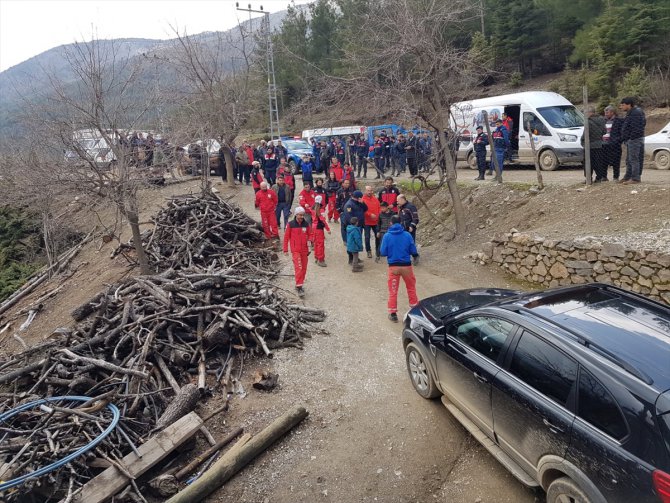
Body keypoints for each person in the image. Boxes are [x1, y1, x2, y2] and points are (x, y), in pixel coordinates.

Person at [380, 215, 419, 322]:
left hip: (393, 267)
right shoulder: (407, 235)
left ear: (391, 223)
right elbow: (413, 251)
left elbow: (383, 252)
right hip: (406, 266)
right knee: (411, 288)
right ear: (401, 223)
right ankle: (414, 310)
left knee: (393, 291)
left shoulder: (387, 236)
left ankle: (393, 314)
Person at [283, 206, 311, 297]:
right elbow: (286, 237)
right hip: (295, 250)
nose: (301, 217)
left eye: (302, 215)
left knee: (304, 268)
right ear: (296, 214)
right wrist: (285, 249)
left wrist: (309, 245)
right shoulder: (290, 224)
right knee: (298, 267)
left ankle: (299, 283)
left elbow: (310, 235)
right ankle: (299, 287)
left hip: (304, 250)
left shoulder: (306, 224)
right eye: (300, 215)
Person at [619, 96, 646, 184]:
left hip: (634, 139)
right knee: (629, 159)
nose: (621, 107)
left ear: (629, 105)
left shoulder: (635, 113)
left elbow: (637, 128)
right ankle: (628, 176)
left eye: (623, 105)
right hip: (632, 139)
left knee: (634, 159)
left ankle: (635, 178)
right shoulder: (632, 112)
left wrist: (631, 138)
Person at [581, 105, 607, 182]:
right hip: (599, 144)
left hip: (589, 145)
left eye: (585, 113)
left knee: (588, 163)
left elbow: (585, 134)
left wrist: (582, 141)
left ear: (589, 113)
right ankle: (599, 177)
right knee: (598, 162)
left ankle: (588, 178)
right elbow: (604, 131)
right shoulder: (602, 120)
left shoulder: (588, 122)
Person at [340, 190, 367, 258]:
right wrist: (354, 225)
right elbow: (349, 216)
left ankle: (356, 258)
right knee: (352, 243)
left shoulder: (359, 202)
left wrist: (363, 203)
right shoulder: (349, 204)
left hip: (359, 226)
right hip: (353, 227)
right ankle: (351, 259)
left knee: (357, 242)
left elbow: (366, 209)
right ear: (357, 197)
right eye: (360, 198)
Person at [603, 105, 624, 181]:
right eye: (605, 112)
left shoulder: (619, 121)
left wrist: (617, 141)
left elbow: (622, 133)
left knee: (616, 162)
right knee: (604, 161)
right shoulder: (603, 121)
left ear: (612, 112)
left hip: (615, 145)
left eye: (607, 112)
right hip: (604, 144)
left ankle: (616, 177)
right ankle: (604, 177)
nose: (605, 114)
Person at [397, 194, 419, 263]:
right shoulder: (401, 207)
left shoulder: (411, 206)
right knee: (403, 244)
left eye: (398, 201)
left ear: (402, 199)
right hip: (402, 229)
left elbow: (416, 218)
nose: (397, 202)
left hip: (410, 229)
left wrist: (412, 226)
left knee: (411, 244)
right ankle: (405, 259)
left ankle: (415, 256)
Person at [311, 196, 331, 267]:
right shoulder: (320, 210)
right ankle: (321, 259)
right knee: (320, 244)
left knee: (316, 243)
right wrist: (328, 229)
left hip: (314, 226)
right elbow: (323, 221)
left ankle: (316, 257)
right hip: (319, 228)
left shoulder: (313, 208)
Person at [362, 185, 381, 259]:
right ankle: (368, 251)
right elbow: (362, 210)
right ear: (365, 191)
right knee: (367, 237)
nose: (369, 192)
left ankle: (377, 250)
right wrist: (370, 214)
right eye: (368, 190)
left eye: (371, 190)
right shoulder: (362, 199)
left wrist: (378, 215)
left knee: (378, 236)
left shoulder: (375, 199)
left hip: (375, 221)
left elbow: (379, 207)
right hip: (367, 221)